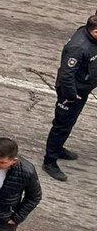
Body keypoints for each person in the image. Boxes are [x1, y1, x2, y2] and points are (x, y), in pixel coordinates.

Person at [42, 15, 97, 182]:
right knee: (62, 125)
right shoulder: (79, 47)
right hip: (72, 94)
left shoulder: (90, 37)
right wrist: (70, 96)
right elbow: (67, 75)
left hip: (82, 88)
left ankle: (58, 149)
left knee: (69, 123)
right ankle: (50, 161)